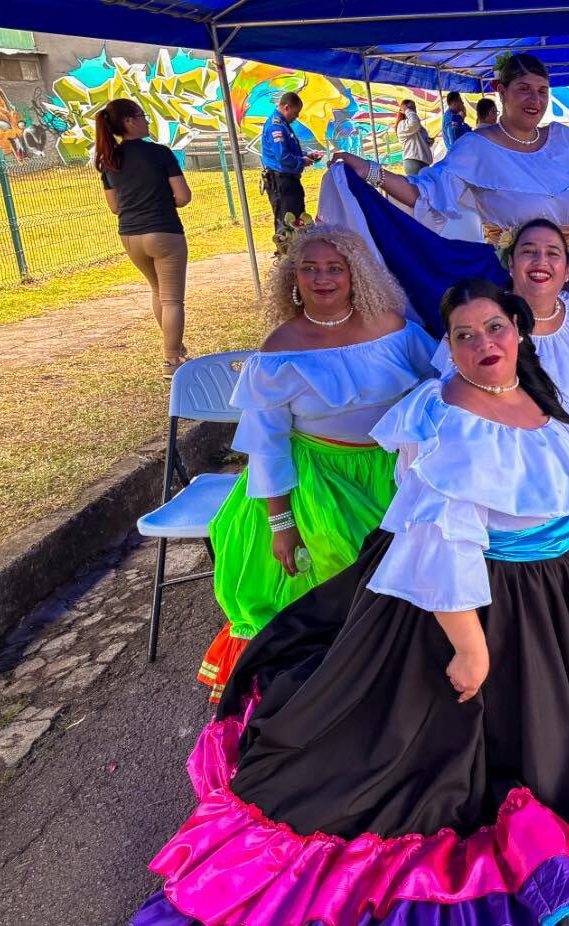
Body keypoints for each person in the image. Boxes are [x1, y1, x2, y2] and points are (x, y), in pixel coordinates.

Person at [133, 279, 569, 926]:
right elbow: (442, 549)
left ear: (519, 333)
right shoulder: (448, 426)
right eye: (465, 335)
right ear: (450, 347)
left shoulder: (535, 394)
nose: (483, 344)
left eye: (494, 327)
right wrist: (472, 649)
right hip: (483, 604)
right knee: (488, 754)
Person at [199, 224, 436, 703]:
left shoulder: (395, 329)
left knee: (424, 565)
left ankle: (414, 671)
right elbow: (267, 446)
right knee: (347, 567)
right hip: (318, 480)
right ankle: (352, 684)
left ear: (356, 275)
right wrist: (282, 523)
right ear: (293, 278)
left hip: (396, 469)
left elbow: (441, 391)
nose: (322, 278)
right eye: (309, 268)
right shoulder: (278, 349)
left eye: (334, 268)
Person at [329, 54, 569, 311]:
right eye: (524, 88)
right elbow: (424, 194)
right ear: (501, 90)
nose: (535, 99)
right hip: (510, 281)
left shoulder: (564, 140)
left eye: (542, 91)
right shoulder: (476, 148)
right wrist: (371, 172)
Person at [433, 218, 569, 406]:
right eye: (528, 251)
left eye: (552, 253)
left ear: (567, 270)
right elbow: (451, 395)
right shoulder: (477, 317)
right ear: (511, 263)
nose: (540, 261)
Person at [95, 98, 192, 378]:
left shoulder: (108, 159)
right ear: (129, 121)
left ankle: (175, 349)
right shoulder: (160, 153)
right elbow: (183, 196)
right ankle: (171, 360)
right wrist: (161, 200)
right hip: (164, 231)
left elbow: (114, 207)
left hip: (130, 236)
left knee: (158, 292)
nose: (147, 120)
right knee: (173, 300)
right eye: (143, 115)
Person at [260, 91, 323, 239]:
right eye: (295, 113)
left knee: (297, 220)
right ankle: (286, 255)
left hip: (290, 180)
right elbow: (282, 156)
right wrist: (302, 161)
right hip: (281, 182)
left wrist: (307, 155)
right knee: (286, 223)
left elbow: (289, 149)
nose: (297, 117)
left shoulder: (283, 124)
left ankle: (298, 254)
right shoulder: (276, 126)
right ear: (286, 107)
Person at [394, 98, 434, 177]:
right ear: (403, 110)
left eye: (414, 108)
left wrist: (428, 142)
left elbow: (419, 143)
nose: (413, 110)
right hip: (413, 162)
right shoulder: (402, 124)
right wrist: (407, 110)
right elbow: (414, 122)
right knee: (418, 188)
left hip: (422, 162)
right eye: (410, 108)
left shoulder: (416, 125)